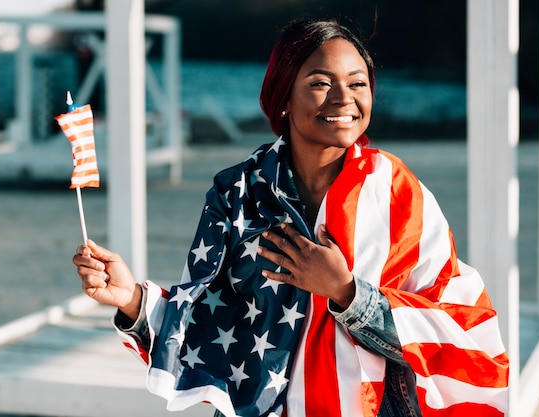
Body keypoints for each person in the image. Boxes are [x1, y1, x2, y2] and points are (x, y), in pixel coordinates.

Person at [73, 18, 509, 417]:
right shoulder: (237, 193)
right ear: (283, 96)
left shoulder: (397, 192)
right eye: (321, 83)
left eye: (358, 83)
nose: (344, 98)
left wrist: (347, 294)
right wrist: (131, 299)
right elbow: (204, 327)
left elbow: (454, 327)